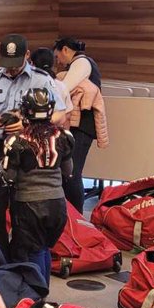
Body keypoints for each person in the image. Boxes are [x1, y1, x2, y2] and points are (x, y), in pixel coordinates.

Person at [0, 35, 70, 261]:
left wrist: (27, 124)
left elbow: (61, 113)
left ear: (27, 55)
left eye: (16, 64)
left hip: (28, 151)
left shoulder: (42, 79)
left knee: (23, 209)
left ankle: (21, 263)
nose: (11, 70)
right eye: (7, 64)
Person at [0, 88, 74, 285]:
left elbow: (7, 177)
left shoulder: (16, 141)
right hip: (57, 204)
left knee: (31, 252)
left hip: (28, 206)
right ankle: (43, 296)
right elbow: (68, 171)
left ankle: (36, 299)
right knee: (43, 249)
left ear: (25, 111)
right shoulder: (65, 137)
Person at [53, 37, 103, 212]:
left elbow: (64, 88)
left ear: (65, 50)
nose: (57, 61)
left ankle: (77, 217)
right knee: (69, 173)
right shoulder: (81, 64)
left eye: (57, 55)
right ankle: (72, 215)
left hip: (81, 126)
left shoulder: (81, 63)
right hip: (77, 125)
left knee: (72, 173)